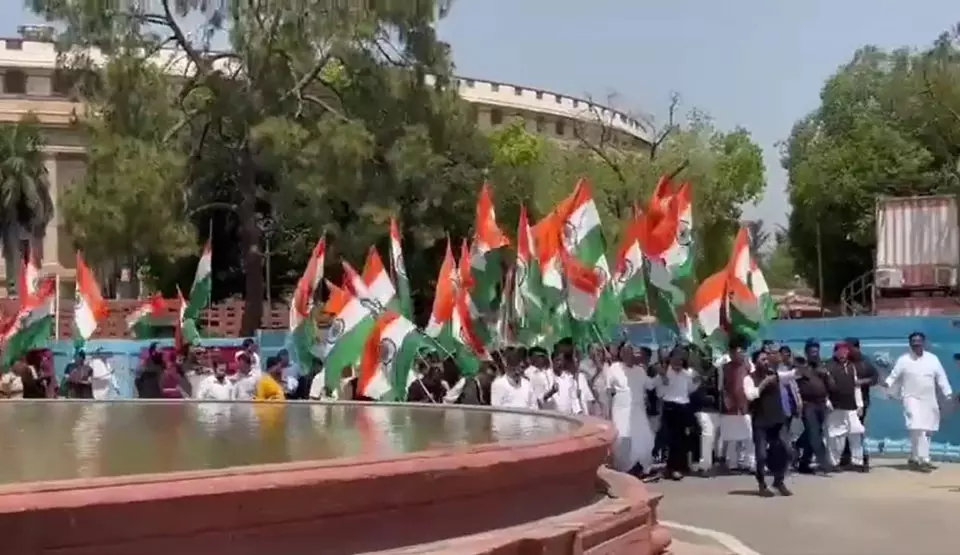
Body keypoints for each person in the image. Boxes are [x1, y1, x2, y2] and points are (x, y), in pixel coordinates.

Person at [884, 332, 955, 472]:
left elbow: (941, 377)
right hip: (911, 398)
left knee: (927, 429)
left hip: (929, 399)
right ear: (910, 344)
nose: (916, 343)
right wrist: (886, 384)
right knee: (916, 426)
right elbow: (893, 376)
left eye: (919, 341)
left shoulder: (932, 359)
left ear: (923, 342)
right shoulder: (903, 360)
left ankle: (915, 457)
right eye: (913, 341)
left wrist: (948, 393)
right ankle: (924, 459)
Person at [744, 349, 792, 497]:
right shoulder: (749, 378)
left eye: (767, 359)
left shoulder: (775, 375)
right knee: (761, 455)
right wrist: (764, 383)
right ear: (755, 361)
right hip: (761, 421)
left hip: (777, 420)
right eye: (762, 359)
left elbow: (793, 375)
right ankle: (762, 484)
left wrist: (791, 361)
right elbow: (751, 395)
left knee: (786, 451)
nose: (765, 362)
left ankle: (779, 481)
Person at [653, 347, 698, 480]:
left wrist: (697, 382)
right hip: (670, 407)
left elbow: (690, 389)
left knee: (683, 439)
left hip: (683, 406)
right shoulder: (664, 373)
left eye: (681, 359)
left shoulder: (687, 374)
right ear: (670, 359)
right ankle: (671, 467)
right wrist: (663, 380)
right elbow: (659, 393)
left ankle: (681, 466)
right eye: (675, 359)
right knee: (671, 439)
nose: (678, 362)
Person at [824, 342, 866, 472]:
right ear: (835, 352)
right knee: (835, 436)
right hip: (835, 407)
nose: (842, 354)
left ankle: (857, 462)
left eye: (845, 351)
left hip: (852, 407)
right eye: (840, 351)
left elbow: (856, 386)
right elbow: (823, 386)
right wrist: (827, 402)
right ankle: (833, 462)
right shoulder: (829, 366)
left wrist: (860, 404)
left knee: (856, 432)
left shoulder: (852, 366)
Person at [840, 337, 879, 469]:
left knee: (857, 430)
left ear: (856, 347)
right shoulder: (844, 361)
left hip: (861, 403)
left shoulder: (865, 362)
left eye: (848, 348)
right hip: (844, 402)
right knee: (844, 430)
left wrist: (861, 382)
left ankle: (862, 459)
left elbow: (875, 378)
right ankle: (846, 458)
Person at [795, 340, 833, 474]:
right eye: (812, 352)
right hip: (807, 404)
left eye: (816, 352)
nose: (815, 354)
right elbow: (795, 385)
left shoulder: (823, 367)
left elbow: (831, 386)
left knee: (814, 433)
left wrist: (826, 375)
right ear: (807, 353)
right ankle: (824, 462)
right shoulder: (801, 367)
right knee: (814, 432)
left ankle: (803, 462)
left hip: (821, 404)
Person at [720, 340, 754, 473]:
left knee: (749, 435)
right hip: (731, 405)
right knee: (732, 436)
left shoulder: (748, 366)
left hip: (746, 404)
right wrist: (725, 399)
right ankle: (732, 463)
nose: (737, 355)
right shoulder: (725, 367)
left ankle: (749, 462)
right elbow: (722, 386)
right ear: (730, 353)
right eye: (735, 352)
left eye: (740, 352)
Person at [692, 356, 722, 475]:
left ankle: (712, 462)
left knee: (714, 438)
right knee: (707, 434)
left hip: (715, 409)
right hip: (701, 408)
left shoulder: (718, 371)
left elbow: (720, 389)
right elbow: (692, 390)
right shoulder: (694, 372)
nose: (706, 358)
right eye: (703, 356)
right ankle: (705, 465)